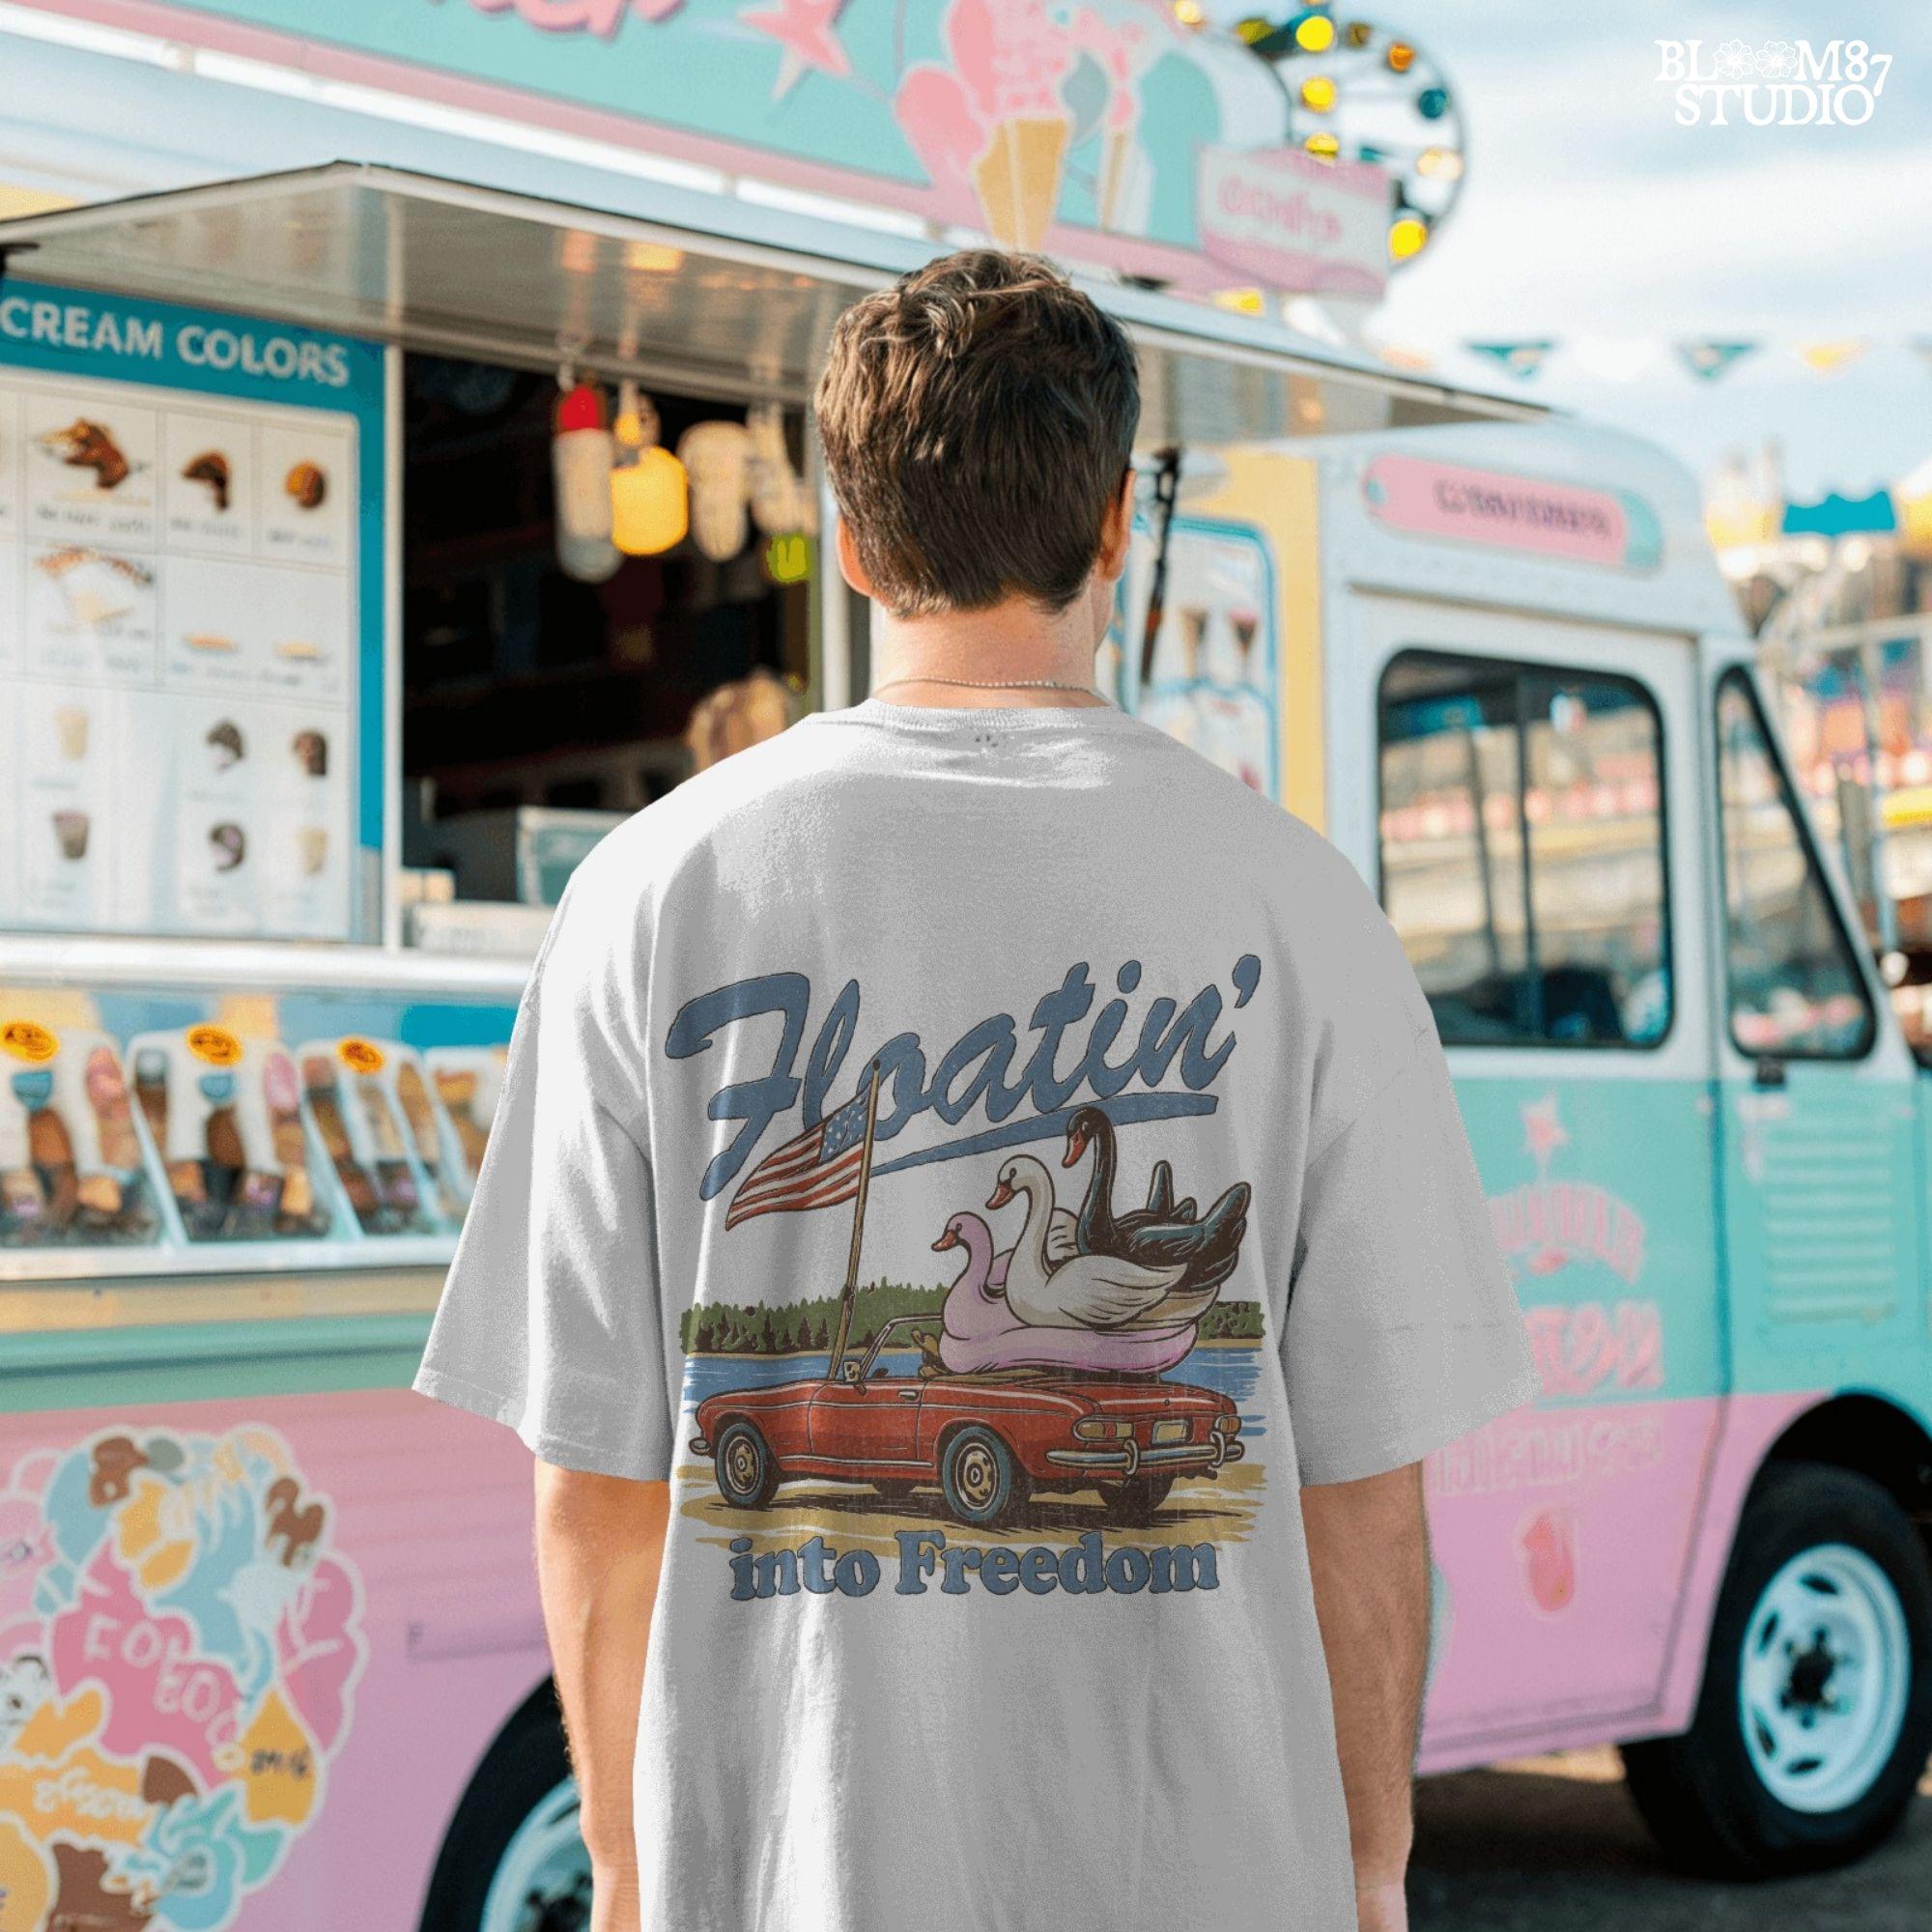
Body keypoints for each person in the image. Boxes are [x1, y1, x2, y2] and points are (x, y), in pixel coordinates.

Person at [413, 249, 1536, 1932]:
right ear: (1111, 535)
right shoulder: (1304, 905)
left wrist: (638, 1879)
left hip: (800, 1879)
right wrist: (1371, 1866)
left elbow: (596, 1478)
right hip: (1213, 1878)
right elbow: (1364, 1490)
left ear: (851, 543)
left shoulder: (647, 894)